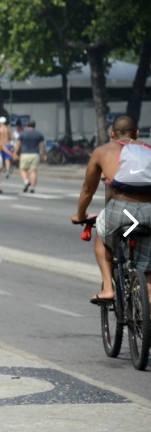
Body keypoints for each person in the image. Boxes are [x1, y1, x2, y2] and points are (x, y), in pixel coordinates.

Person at [72, 115, 151, 304]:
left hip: (121, 211)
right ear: (137, 133)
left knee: (101, 233)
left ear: (112, 133)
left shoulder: (102, 151)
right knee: (148, 269)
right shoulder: (148, 150)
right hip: (149, 212)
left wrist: (80, 215)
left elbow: (88, 189)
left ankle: (108, 288)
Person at [14, 120, 46, 193]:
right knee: (33, 171)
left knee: (23, 169)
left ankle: (26, 181)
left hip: (24, 154)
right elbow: (42, 145)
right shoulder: (39, 134)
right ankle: (32, 188)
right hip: (35, 154)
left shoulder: (23, 134)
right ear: (34, 126)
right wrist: (44, 154)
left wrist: (15, 153)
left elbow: (18, 144)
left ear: (27, 126)